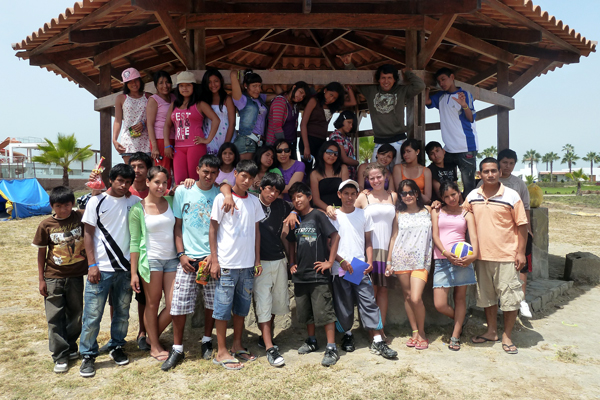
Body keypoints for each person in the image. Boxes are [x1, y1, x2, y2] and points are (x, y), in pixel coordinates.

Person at [79, 164, 141, 378]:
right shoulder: (96, 201)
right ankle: (88, 355)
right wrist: (92, 265)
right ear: (111, 180)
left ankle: (117, 346)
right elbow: (88, 234)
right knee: (92, 315)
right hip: (101, 269)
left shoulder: (135, 202)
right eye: (120, 181)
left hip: (125, 269)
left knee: (122, 313)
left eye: (128, 182)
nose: (124, 185)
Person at [161, 155, 221, 371]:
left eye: (213, 173)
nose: (209, 176)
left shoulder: (219, 194)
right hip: (187, 259)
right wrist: (181, 254)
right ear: (197, 170)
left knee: (212, 303)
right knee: (178, 305)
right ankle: (177, 348)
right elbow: (177, 226)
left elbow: (222, 228)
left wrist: (214, 255)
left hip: (210, 259)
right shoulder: (183, 191)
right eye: (205, 171)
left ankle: (207, 340)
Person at [329, 179, 398, 359]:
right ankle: (347, 335)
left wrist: (369, 261)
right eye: (346, 193)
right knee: (344, 303)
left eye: (353, 194)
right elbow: (329, 244)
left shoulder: (364, 214)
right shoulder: (333, 216)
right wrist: (341, 261)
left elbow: (368, 241)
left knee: (368, 302)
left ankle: (378, 340)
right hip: (340, 267)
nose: (349, 197)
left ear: (357, 195)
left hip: (359, 266)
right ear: (339, 195)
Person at [466, 157, 527, 355]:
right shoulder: (473, 195)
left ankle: (507, 335)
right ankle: (491, 331)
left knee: (510, 299)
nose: (490, 174)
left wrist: (520, 252)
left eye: (494, 171)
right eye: (486, 171)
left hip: (506, 256)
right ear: (480, 174)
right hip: (481, 256)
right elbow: (460, 213)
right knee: (487, 297)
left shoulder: (511, 195)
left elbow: (522, 225)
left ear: (500, 173)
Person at [209, 160, 265, 370]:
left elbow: (256, 232)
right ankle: (221, 351)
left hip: (247, 265)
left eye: (251, 178)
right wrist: (215, 260)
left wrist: (257, 260)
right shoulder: (221, 199)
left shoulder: (254, 201)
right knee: (222, 309)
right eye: (243, 176)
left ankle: (237, 345)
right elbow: (213, 229)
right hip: (226, 264)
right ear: (235, 174)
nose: (247, 181)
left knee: (242, 308)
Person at [33, 186, 87, 373]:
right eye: (58, 206)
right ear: (52, 206)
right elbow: (41, 253)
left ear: (73, 204)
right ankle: (60, 355)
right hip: (53, 277)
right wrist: (41, 279)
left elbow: (96, 206)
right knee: (54, 316)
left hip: (76, 276)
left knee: (76, 313)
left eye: (67, 205)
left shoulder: (80, 217)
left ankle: (71, 347)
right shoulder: (45, 225)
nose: (63, 209)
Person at [286, 182, 341, 367]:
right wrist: (292, 263)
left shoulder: (317, 215)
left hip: (318, 274)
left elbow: (335, 236)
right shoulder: (295, 219)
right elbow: (291, 242)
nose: (296, 200)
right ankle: (311, 341)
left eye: (300, 196)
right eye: (293, 198)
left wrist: (330, 262)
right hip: (301, 275)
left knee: (325, 311)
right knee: (306, 311)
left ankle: (331, 347)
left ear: (309, 197)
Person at [129, 166, 177, 362]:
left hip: (172, 260)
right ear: (148, 182)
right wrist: (134, 273)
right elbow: (134, 242)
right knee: (152, 303)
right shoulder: (137, 209)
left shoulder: (172, 201)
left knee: (174, 304)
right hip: (151, 261)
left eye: (165, 182)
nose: (161, 186)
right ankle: (155, 346)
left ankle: (150, 336)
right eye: (157, 182)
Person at [341, 54, 426, 164]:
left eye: (389, 78)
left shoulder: (401, 91)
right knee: (375, 172)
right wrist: (348, 64)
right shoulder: (370, 91)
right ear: (378, 79)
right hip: (379, 141)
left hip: (398, 139)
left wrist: (408, 73)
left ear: (394, 80)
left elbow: (420, 86)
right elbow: (356, 78)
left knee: (398, 171)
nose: (386, 81)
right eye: (383, 78)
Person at [478, 149, 533, 318]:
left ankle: (521, 300)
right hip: (493, 235)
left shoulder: (518, 184)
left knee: (521, 266)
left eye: (511, 163)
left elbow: (526, 208)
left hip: (517, 231)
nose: (507, 166)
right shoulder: (481, 186)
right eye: (504, 163)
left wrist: (528, 229)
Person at [431, 181, 478, 351]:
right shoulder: (436, 211)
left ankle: (455, 335)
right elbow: (435, 235)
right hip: (442, 259)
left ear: (459, 193)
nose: (451, 198)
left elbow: (474, 236)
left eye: (454, 194)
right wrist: (445, 253)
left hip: (462, 260)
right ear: (441, 198)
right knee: (440, 304)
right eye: (446, 196)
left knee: (460, 298)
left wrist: (474, 255)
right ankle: (461, 319)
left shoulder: (467, 214)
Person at [386, 179, 432, 350]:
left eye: (411, 192)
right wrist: (389, 262)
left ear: (417, 193)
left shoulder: (428, 210)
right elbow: (393, 237)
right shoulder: (398, 213)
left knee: (416, 297)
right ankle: (414, 332)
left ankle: (422, 333)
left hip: (422, 260)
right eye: (403, 193)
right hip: (401, 258)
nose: (407, 196)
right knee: (407, 296)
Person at [354, 164, 397, 334]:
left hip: (387, 251)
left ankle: (381, 329)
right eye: (371, 178)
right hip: (367, 251)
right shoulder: (362, 197)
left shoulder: (393, 196)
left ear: (385, 176)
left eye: (379, 176)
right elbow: (350, 217)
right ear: (367, 180)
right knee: (369, 292)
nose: (376, 180)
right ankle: (371, 331)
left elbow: (396, 227)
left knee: (383, 291)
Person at [254, 173, 292, 367]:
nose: (272, 194)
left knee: (276, 302)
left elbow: (298, 205)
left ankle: (265, 337)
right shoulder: (251, 203)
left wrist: (294, 213)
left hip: (279, 259)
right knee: (263, 303)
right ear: (261, 187)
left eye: (277, 191)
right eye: (269, 188)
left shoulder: (282, 205)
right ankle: (270, 348)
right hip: (259, 262)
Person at [425, 67, 478, 195]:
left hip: (466, 147)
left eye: (443, 79)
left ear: (452, 77)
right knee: (447, 184)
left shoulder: (464, 94)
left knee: (469, 187)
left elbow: (471, 118)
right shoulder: (440, 96)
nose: (441, 83)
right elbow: (426, 101)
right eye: (439, 81)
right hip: (448, 149)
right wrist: (427, 88)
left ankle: (469, 208)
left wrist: (464, 105)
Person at [163, 71, 221, 184]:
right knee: (179, 181)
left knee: (195, 180)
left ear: (193, 86)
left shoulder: (200, 104)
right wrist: (167, 144)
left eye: (188, 85)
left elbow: (216, 120)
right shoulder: (174, 105)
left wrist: (207, 140)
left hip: (196, 146)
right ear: (178, 88)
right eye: (181, 85)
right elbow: (167, 125)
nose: (185, 88)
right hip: (178, 148)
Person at [300, 82, 356, 173]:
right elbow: (303, 124)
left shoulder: (333, 106)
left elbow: (353, 102)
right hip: (308, 139)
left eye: (334, 98)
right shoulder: (314, 101)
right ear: (325, 90)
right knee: (307, 170)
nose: (331, 99)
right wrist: (306, 146)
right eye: (330, 95)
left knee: (320, 170)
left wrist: (348, 87)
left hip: (322, 141)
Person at [230, 70, 278, 160]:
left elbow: (279, 96)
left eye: (259, 86)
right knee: (246, 168)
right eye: (254, 86)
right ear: (246, 85)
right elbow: (233, 75)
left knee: (256, 168)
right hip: (246, 141)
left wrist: (273, 75)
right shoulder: (241, 99)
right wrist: (236, 72)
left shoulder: (260, 98)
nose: (258, 89)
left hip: (260, 142)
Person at [112, 68, 151, 164]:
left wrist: (145, 123)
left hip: (146, 139)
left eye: (136, 80)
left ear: (140, 80)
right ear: (126, 84)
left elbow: (157, 116)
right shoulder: (121, 98)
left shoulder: (149, 97)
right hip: (128, 140)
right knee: (129, 171)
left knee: (146, 170)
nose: (134, 84)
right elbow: (117, 120)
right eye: (130, 82)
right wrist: (114, 139)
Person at [147, 71, 176, 187]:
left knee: (175, 170)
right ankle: (163, 195)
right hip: (160, 140)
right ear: (156, 85)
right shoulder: (154, 100)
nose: (165, 85)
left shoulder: (174, 98)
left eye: (167, 82)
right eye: (161, 83)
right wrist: (154, 146)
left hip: (175, 138)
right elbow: (150, 124)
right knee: (163, 171)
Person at [266, 81, 310, 156]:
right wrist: (283, 145)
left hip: (290, 143)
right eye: (300, 92)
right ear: (294, 87)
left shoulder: (294, 104)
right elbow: (276, 126)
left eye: (303, 96)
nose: (300, 97)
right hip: (276, 144)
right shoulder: (280, 102)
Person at [201, 68, 236, 155]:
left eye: (216, 81)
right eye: (209, 82)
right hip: (209, 139)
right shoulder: (203, 100)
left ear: (221, 81)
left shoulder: (227, 99)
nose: (213, 84)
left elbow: (232, 124)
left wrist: (226, 145)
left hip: (226, 137)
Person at [310, 141, 349, 216]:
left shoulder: (343, 168)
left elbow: (346, 191)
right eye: (329, 152)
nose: (332, 155)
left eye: (335, 154)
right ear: (322, 152)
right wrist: (327, 208)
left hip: (341, 209)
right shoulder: (314, 174)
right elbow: (316, 200)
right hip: (322, 210)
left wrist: (341, 210)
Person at [393, 139, 432, 204]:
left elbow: (427, 199)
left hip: (421, 205)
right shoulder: (398, 168)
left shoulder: (426, 171)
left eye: (408, 151)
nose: (405, 155)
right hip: (404, 205)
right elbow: (400, 191)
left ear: (417, 152)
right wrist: (416, 192)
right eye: (403, 152)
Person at [329, 110, 359, 180]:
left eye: (352, 124)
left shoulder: (345, 137)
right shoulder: (336, 136)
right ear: (342, 120)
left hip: (351, 175)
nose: (351, 126)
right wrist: (357, 163)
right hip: (341, 176)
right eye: (349, 122)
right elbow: (344, 159)